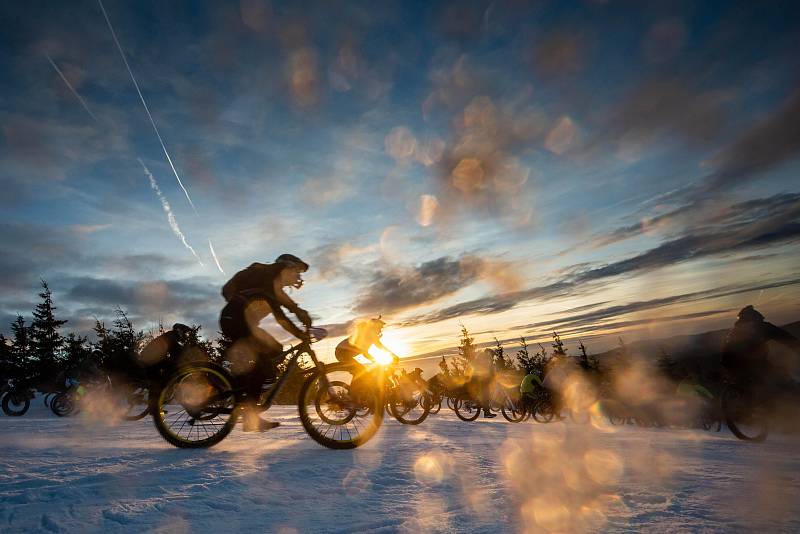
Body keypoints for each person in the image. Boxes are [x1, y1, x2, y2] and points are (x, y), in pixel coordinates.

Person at [220, 254, 313, 432]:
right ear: (287, 267)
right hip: (235, 321)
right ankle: (250, 415)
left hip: (238, 321)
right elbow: (281, 316)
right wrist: (300, 334)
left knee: (276, 349)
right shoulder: (268, 279)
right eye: (297, 271)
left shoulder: (272, 283)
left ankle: (245, 388)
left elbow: (287, 302)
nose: (298, 277)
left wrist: (300, 312)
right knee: (262, 365)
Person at [721, 305, 800, 391]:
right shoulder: (761, 327)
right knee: (782, 381)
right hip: (751, 367)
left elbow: (726, 353)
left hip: (736, 369)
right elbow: (787, 339)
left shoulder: (734, 332)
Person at [470, 348, 496, 418]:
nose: (493, 356)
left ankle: (480, 403)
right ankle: (486, 413)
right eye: (492, 355)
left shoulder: (487, 359)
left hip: (481, 378)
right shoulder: (485, 359)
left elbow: (491, 370)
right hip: (477, 378)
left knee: (487, 392)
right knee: (486, 394)